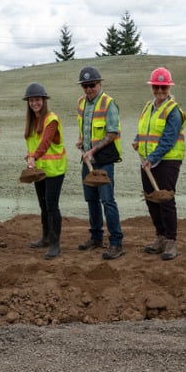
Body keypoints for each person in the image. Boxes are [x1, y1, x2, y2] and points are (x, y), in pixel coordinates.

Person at [132, 67, 186, 261]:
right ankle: (160, 237)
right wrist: (137, 139)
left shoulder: (174, 111)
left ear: (169, 87)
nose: (160, 91)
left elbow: (169, 139)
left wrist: (152, 158)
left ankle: (172, 241)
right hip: (148, 161)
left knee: (165, 199)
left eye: (163, 87)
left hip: (167, 161)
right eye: (157, 87)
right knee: (151, 198)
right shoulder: (148, 106)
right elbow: (144, 128)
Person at [75, 66, 125, 260]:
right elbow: (84, 128)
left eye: (92, 85)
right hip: (88, 160)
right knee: (91, 199)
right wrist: (81, 140)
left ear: (100, 84)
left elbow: (112, 133)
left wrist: (93, 150)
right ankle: (96, 237)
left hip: (103, 161)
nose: (89, 89)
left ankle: (116, 242)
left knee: (107, 200)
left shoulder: (108, 103)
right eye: (85, 86)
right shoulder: (81, 103)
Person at [22, 82, 67, 260]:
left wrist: (34, 157)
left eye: (38, 100)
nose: (34, 103)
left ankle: (56, 244)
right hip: (39, 171)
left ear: (44, 100)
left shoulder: (51, 119)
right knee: (43, 204)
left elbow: (46, 142)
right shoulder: (31, 122)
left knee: (51, 205)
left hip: (55, 170)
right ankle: (46, 237)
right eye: (31, 100)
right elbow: (34, 146)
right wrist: (30, 158)